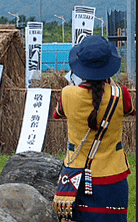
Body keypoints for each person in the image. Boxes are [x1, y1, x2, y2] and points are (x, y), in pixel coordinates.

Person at [52, 35, 135, 222]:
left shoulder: (67, 94)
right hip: (113, 177)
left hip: (76, 178)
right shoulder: (120, 95)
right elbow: (131, 111)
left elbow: (58, 114)